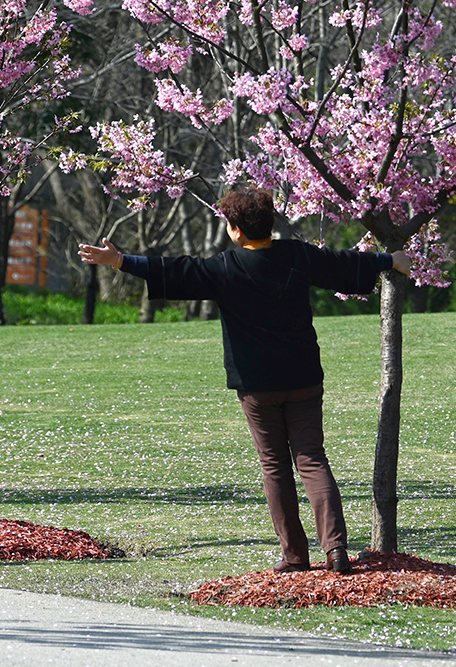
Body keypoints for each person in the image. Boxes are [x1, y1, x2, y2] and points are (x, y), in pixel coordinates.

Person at [78, 187, 411, 574]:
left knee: (275, 467)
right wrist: (391, 258)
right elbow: (343, 263)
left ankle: (295, 557)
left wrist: (119, 260)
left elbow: (174, 270)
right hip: (303, 377)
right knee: (312, 460)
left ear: (236, 229)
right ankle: (336, 551)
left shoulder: (223, 267)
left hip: (256, 386)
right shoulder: (296, 255)